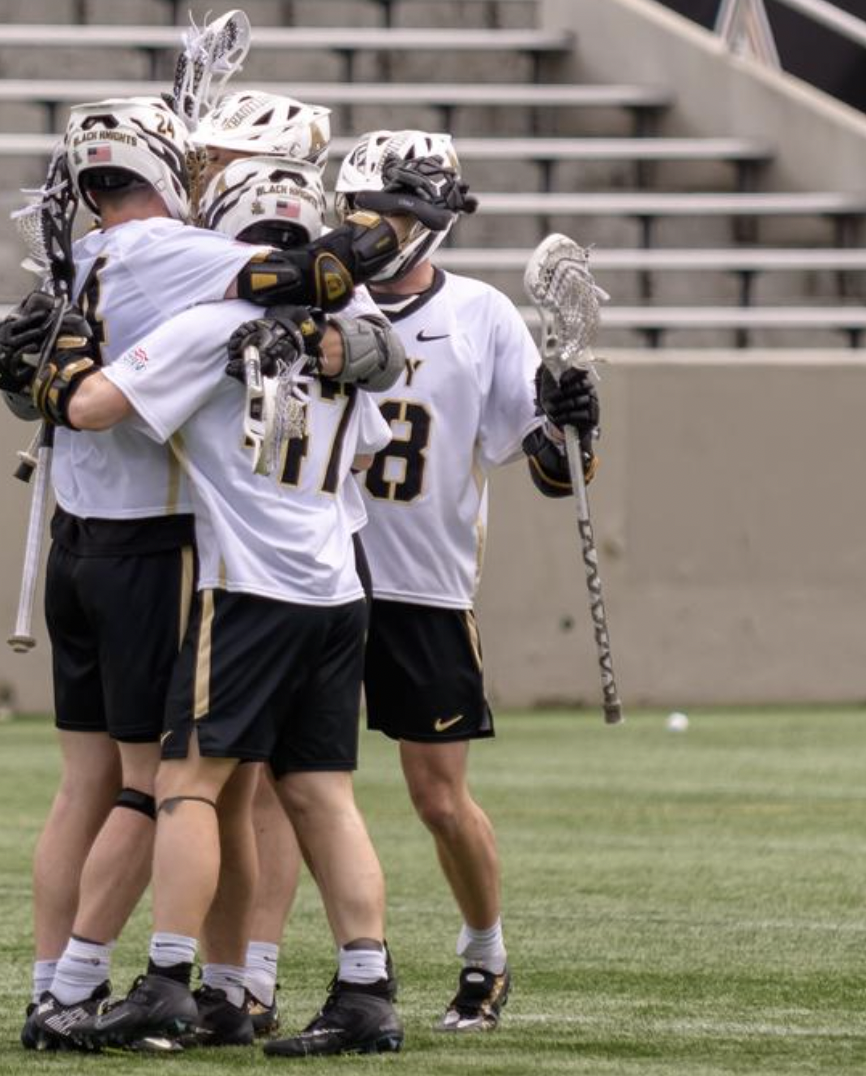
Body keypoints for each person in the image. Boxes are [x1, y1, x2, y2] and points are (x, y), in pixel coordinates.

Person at [0, 96, 433, 1051]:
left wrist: (45, 375)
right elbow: (370, 406)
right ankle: (349, 986)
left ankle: (138, 981)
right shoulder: (317, 315)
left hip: (217, 575)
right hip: (333, 584)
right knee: (307, 793)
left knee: (170, 788)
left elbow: (90, 404)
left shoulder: (182, 306)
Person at [240, 129, 602, 1034]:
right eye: (364, 211)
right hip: (316, 575)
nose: (378, 230)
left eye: (394, 214)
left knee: (438, 799)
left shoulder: (480, 314)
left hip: (424, 585)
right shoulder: (318, 302)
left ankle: (486, 954)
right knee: (285, 786)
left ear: (432, 220)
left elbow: (553, 470)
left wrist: (574, 426)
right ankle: (254, 978)